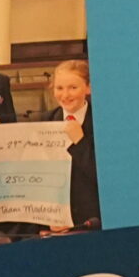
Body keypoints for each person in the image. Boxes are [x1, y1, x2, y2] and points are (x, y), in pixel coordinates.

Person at [50, 58, 97, 228]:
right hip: (57, 219)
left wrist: (80, 142)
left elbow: (104, 176)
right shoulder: (46, 121)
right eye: (59, 88)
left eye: (73, 88)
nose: (65, 95)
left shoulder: (101, 121)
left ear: (88, 88)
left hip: (92, 219)